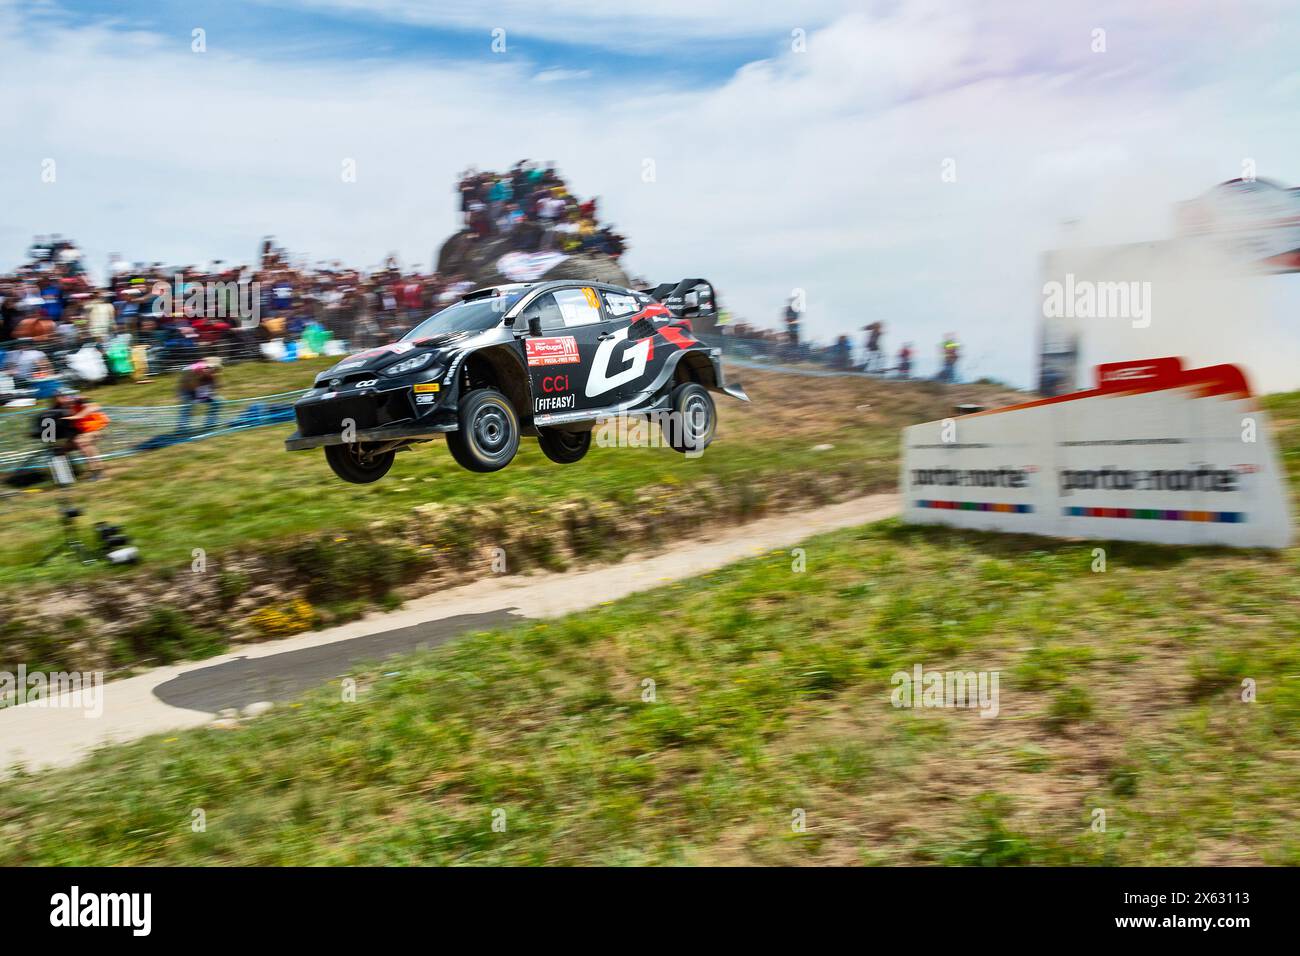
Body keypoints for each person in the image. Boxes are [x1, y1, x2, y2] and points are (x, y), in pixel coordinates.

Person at [177, 356, 224, 432]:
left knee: (218, 401)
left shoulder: (214, 371)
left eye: (215, 368)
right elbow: (190, 386)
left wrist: (212, 389)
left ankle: (210, 424)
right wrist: (199, 397)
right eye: (211, 368)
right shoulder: (190, 370)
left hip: (201, 389)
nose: (214, 370)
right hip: (188, 389)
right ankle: (182, 428)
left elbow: (216, 386)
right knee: (187, 405)